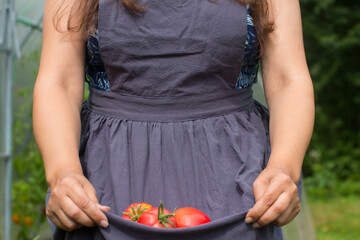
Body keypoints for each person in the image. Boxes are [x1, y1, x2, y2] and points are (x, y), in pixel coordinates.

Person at [33, 0, 314, 239]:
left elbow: (288, 79)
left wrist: (283, 168)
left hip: (234, 179)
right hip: (109, 178)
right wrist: (64, 173)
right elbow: (58, 81)